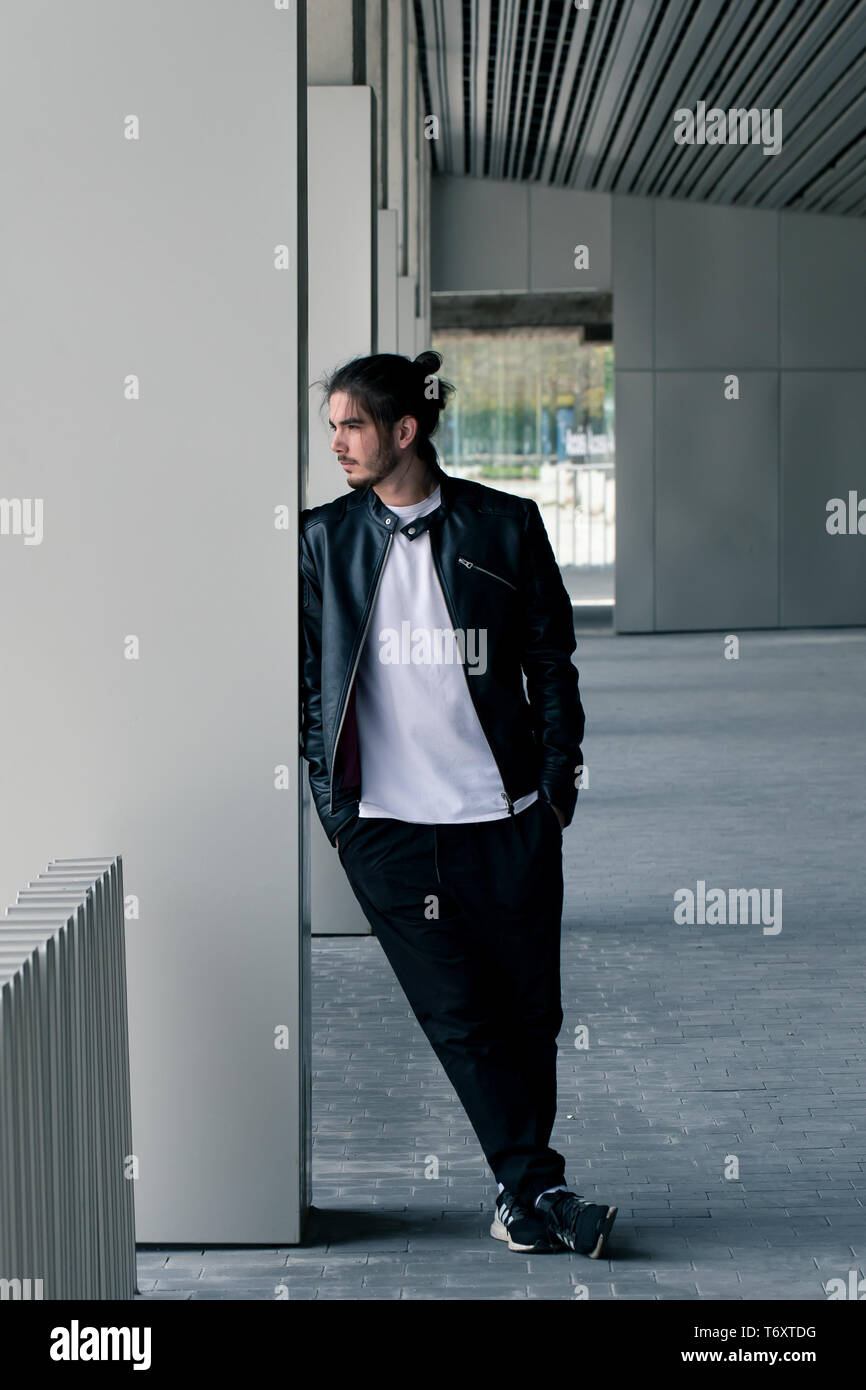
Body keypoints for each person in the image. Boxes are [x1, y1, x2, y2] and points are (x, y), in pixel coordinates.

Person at [299, 349, 617, 1257]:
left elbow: (553, 662)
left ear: (405, 430)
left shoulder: (505, 526)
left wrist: (556, 787)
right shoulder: (325, 541)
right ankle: (541, 1190)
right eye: (332, 429)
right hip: (389, 830)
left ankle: (526, 1198)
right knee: (460, 1016)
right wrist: (336, 807)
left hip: (505, 815)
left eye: (352, 426)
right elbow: (308, 686)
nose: (338, 445)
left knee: (529, 1012)